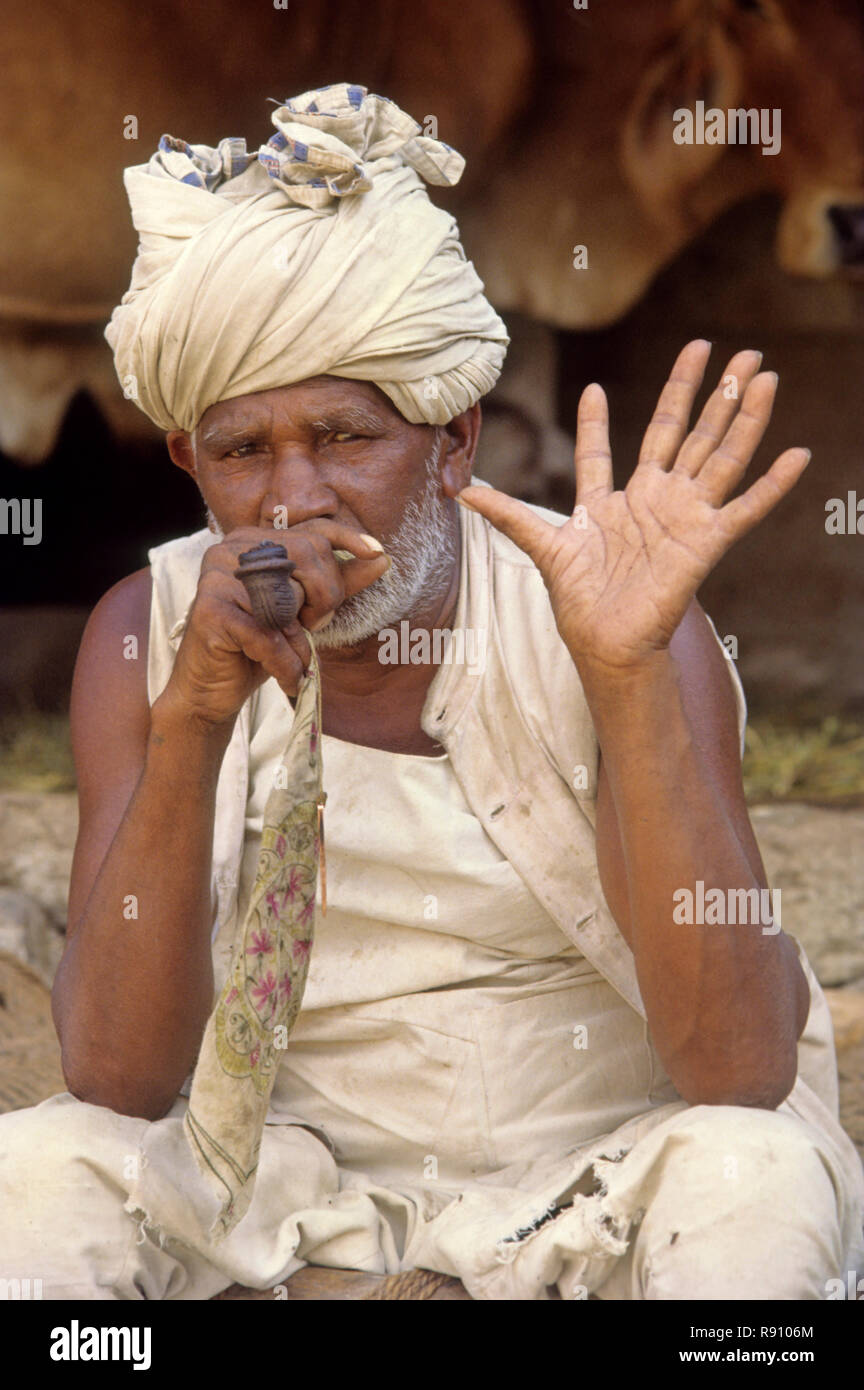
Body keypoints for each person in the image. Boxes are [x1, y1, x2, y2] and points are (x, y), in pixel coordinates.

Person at [2, 83, 862, 1301]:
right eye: (246, 452)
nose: (295, 501)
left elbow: (738, 1064)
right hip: (276, 1201)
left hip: (583, 1193)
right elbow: (116, 1077)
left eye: (348, 438)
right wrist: (193, 717)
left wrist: (623, 678)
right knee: (36, 1171)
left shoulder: (610, 622)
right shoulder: (149, 636)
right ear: (190, 463)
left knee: (752, 1177)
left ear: (453, 440)